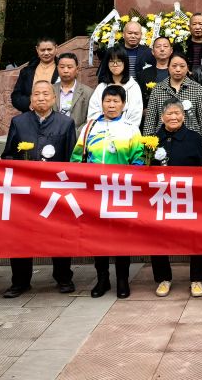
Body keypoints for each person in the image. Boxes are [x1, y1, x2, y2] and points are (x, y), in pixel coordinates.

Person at [1, 81, 77, 297]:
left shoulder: (66, 123)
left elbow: (72, 159)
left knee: (59, 235)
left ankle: (63, 278)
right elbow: (7, 155)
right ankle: (20, 281)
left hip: (55, 190)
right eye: (36, 94)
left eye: (45, 94)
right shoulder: (19, 122)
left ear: (54, 98)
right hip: (25, 191)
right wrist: (22, 166)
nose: (41, 98)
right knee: (20, 235)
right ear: (31, 99)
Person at [72, 84, 145, 299]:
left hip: (120, 192)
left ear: (123, 105)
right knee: (98, 237)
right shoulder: (89, 127)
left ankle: (122, 279)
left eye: (115, 101)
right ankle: (102, 278)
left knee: (122, 237)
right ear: (101, 103)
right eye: (107, 101)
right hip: (94, 193)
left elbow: (139, 160)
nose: (111, 105)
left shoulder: (131, 129)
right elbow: (77, 158)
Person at [151, 99, 202, 297]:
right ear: (162, 117)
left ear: (183, 116)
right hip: (161, 196)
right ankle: (163, 279)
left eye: (177, 113)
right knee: (158, 237)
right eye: (169, 114)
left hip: (190, 197)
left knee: (196, 236)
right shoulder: (152, 140)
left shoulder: (194, 138)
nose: (173, 117)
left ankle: (197, 279)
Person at [141, 53, 202, 143]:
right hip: (162, 140)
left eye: (182, 66)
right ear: (168, 67)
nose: (178, 69)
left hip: (191, 139)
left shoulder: (197, 89)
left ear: (187, 67)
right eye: (174, 66)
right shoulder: (158, 89)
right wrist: (147, 143)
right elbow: (150, 120)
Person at [87, 46, 144, 129]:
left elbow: (135, 115)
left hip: (126, 132)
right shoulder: (101, 87)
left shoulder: (133, 87)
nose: (115, 65)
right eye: (111, 61)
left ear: (125, 63)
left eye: (119, 61)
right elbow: (93, 112)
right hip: (101, 132)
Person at [11, 37, 60, 112]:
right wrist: (30, 102)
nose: (46, 53)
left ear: (56, 48)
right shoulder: (27, 71)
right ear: (37, 49)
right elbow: (16, 96)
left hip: (57, 114)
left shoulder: (63, 69)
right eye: (42, 50)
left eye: (49, 49)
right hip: (31, 114)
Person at [53, 52, 91, 127]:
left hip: (77, 132)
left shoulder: (88, 92)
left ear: (77, 69)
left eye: (69, 67)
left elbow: (89, 120)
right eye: (62, 67)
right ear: (57, 68)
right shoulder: (50, 90)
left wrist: (76, 132)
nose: (65, 70)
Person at [138, 36, 173, 105]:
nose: (162, 49)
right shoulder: (144, 73)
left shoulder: (178, 72)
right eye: (158, 46)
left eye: (165, 46)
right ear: (153, 51)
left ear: (171, 50)